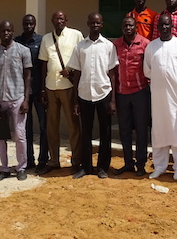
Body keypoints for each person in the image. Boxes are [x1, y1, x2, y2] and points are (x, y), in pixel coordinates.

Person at [66, 13, 118, 179]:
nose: (95, 25)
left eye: (98, 22)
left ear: (102, 24)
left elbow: (113, 74)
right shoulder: (80, 46)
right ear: (88, 23)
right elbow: (76, 74)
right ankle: (86, 167)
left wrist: (113, 100)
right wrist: (75, 101)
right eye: (92, 22)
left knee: (105, 132)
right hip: (85, 94)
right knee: (85, 133)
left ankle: (103, 167)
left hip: (104, 93)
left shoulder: (109, 46)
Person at [144, 13, 177, 180]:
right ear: (157, 28)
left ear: (172, 26)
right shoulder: (151, 47)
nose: (164, 27)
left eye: (167, 25)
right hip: (158, 98)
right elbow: (147, 70)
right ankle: (159, 167)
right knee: (159, 132)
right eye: (161, 25)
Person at [0, 20, 32, 181]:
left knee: (19, 135)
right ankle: (4, 168)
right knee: (0, 136)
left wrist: (26, 99)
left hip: (18, 98)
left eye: (9, 31)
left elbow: (28, 77)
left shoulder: (23, 51)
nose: (6, 33)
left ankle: (21, 167)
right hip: (0, 100)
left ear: (13, 32)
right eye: (3, 31)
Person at [39, 11, 84, 173]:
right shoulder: (46, 39)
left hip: (68, 87)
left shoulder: (76, 35)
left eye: (61, 18)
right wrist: (43, 89)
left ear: (66, 20)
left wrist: (72, 73)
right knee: (52, 126)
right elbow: (44, 64)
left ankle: (76, 161)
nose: (59, 21)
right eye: (56, 18)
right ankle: (54, 161)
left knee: (73, 126)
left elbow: (81, 59)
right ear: (52, 21)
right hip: (51, 87)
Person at [112, 16, 151, 176]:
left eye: (130, 25)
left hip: (140, 92)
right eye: (125, 25)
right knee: (125, 130)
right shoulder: (115, 45)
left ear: (136, 27)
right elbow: (113, 71)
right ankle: (128, 162)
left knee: (141, 130)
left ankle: (141, 164)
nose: (128, 28)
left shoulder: (145, 44)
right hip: (122, 93)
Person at [15, 14, 47, 172]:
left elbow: (43, 66)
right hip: (22, 91)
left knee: (43, 126)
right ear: (22, 24)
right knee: (25, 127)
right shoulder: (17, 42)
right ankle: (28, 160)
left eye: (31, 24)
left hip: (39, 89)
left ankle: (43, 160)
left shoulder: (41, 41)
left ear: (35, 24)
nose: (28, 26)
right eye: (26, 24)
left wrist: (43, 89)